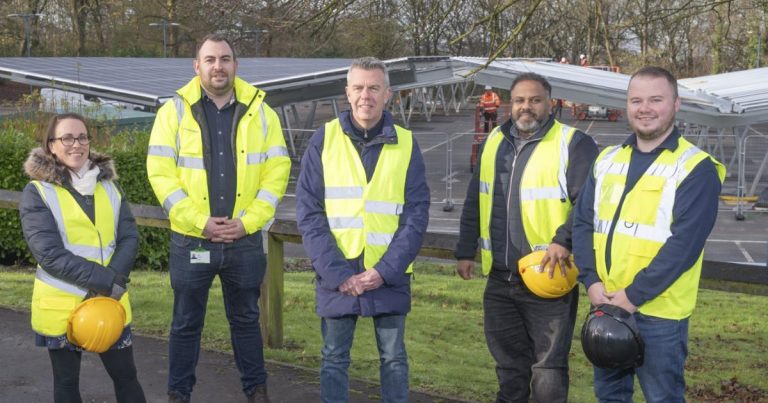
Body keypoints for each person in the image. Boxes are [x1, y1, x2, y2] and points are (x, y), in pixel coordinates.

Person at [146, 33, 290, 403]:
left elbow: (277, 172)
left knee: (246, 322)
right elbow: (161, 175)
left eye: (225, 59)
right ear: (197, 66)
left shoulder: (263, 112)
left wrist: (249, 221)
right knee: (185, 323)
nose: (218, 66)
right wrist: (200, 222)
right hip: (193, 241)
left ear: (235, 65)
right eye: (209, 60)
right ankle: (178, 395)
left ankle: (256, 392)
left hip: (243, 241)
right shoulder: (173, 111)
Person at [572, 66, 725, 402]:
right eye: (636, 100)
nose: (645, 108)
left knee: (662, 398)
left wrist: (633, 296)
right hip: (606, 302)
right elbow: (582, 224)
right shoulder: (608, 159)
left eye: (656, 99)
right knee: (609, 397)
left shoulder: (696, 168)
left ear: (676, 104)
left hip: (659, 316)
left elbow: (684, 246)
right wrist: (592, 282)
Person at [455, 72, 598, 403]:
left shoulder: (573, 143)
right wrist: (465, 249)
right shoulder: (493, 141)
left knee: (547, 369)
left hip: (547, 275)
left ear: (550, 103)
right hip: (500, 279)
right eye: (519, 100)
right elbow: (475, 199)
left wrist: (563, 240)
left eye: (535, 100)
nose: (526, 107)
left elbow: (588, 204)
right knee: (508, 368)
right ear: (510, 104)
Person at [296, 57, 430, 403]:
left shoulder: (406, 143)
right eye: (358, 87)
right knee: (333, 358)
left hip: (388, 273)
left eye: (373, 88)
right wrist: (339, 274)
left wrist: (383, 272)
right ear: (347, 92)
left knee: (394, 359)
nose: (365, 96)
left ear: (388, 94)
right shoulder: (323, 140)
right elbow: (309, 213)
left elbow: (416, 215)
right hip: (337, 273)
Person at [20, 113, 146, 403]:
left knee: (127, 378)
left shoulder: (110, 187)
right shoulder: (37, 192)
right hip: (62, 306)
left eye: (82, 137)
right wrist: (107, 282)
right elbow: (49, 254)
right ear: (51, 145)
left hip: (110, 303)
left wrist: (112, 282)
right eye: (66, 138)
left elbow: (129, 238)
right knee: (66, 384)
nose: (76, 144)